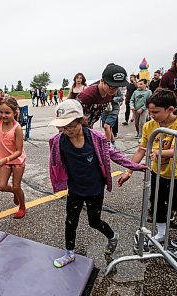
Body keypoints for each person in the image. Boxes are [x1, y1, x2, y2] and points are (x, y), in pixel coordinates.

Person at [49, 100, 146, 268]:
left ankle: (112, 236)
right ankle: (69, 253)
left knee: (94, 221)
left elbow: (113, 154)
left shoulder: (95, 138)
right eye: (61, 127)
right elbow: (56, 163)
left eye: (69, 126)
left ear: (80, 120)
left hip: (94, 189)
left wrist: (134, 166)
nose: (65, 131)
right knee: (71, 221)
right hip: (75, 188)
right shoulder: (59, 140)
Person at [118, 89, 177, 245]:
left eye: (155, 112)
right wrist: (128, 170)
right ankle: (161, 233)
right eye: (150, 112)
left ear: (170, 109)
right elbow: (141, 150)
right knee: (156, 200)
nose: (152, 115)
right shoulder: (149, 126)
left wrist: (158, 152)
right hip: (158, 170)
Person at [77, 63, 129, 128]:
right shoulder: (86, 96)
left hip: (88, 127)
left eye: (117, 87)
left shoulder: (110, 93)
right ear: (102, 81)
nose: (115, 90)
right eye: (111, 86)